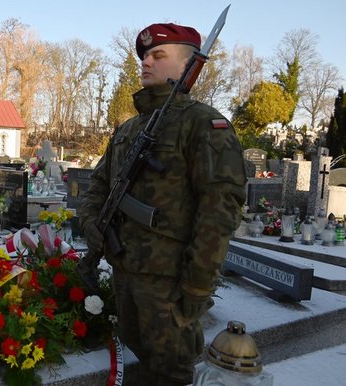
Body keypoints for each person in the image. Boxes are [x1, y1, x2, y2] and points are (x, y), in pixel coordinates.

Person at [78, 23, 246, 385]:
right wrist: (92, 225)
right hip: (125, 272)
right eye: (144, 56)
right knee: (139, 360)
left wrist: (197, 287)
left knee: (170, 372)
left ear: (188, 65)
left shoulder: (203, 124)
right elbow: (100, 186)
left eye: (158, 55)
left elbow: (219, 210)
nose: (146, 62)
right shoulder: (128, 129)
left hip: (170, 283)